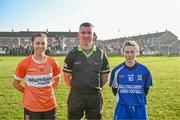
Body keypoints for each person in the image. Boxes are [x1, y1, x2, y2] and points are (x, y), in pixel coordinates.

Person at [63, 22, 110, 120]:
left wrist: (95, 88)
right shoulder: (72, 54)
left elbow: (105, 78)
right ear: (78, 34)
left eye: (89, 32)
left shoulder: (101, 55)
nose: (86, 35)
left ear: (93, 35)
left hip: (94, 97)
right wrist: (77, 88)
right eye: (83, 32)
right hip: (76, 95)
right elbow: (66, 77)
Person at [12, 33, 61, 120]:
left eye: (43, 43)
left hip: (50, 105)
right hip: (31, 106)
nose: (40, 46)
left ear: (46, 45)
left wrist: (48, 90)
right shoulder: (24, 63)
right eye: (37, 43)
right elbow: (15, 83)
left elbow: (57, 79)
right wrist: (28, 92)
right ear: (32, 44)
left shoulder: (53, 62)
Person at [109, 41, 153, 120]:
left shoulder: (145, 70)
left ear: (137, 52)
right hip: (122, 107)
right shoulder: (116, 71)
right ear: (123, 52)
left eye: (132, 52)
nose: (129, 55)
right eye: (127, 52)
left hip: (140, 108)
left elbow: (145, 90)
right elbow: (114, 90)